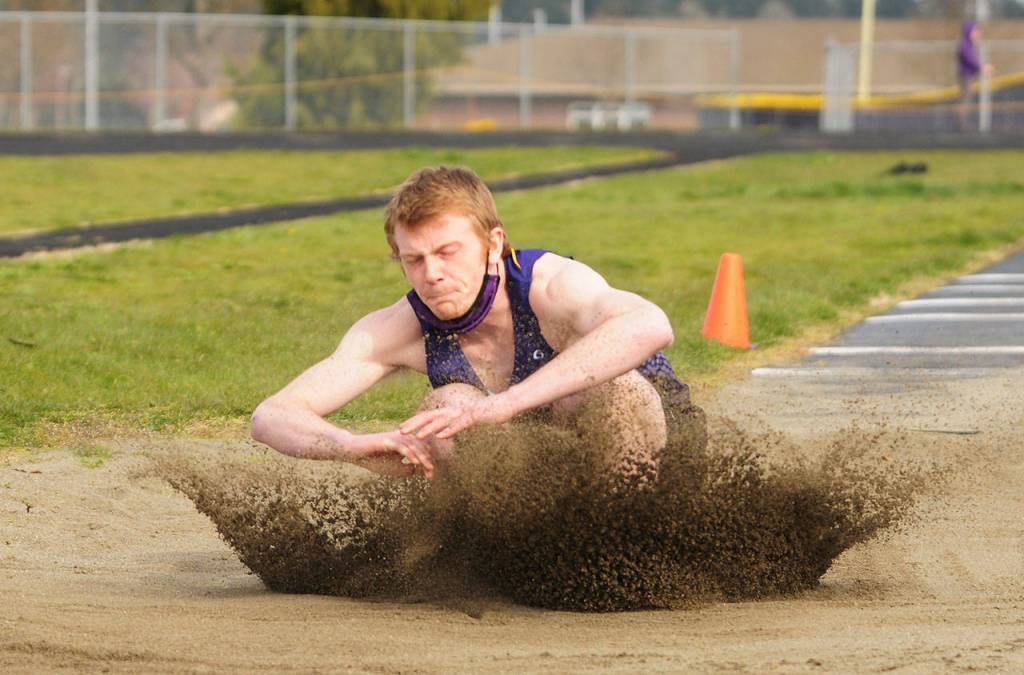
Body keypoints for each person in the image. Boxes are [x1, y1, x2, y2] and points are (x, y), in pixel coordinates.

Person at [250, 165, 704, 484]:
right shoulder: (401, 326)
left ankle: (633, 542)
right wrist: (349, 446)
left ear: (493, 244)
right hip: (545, 473)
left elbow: (651, 324)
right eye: (414, 260)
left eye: (447, 253)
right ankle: (497, 553)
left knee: (609, 390)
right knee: (446, 407)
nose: (432, 274)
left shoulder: (549, 285)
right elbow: (272, 416)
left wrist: (504, 405)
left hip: (664, 452)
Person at [956, 20, 994, 132]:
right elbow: (970, 61)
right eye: (975, 31)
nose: (977, 33)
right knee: (965, 100)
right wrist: (982, 68)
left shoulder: (969, 44)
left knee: (967, 100)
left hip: (968, 76)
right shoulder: (965, 45)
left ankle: (962, 124)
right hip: (965, 77)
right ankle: (961, 125)